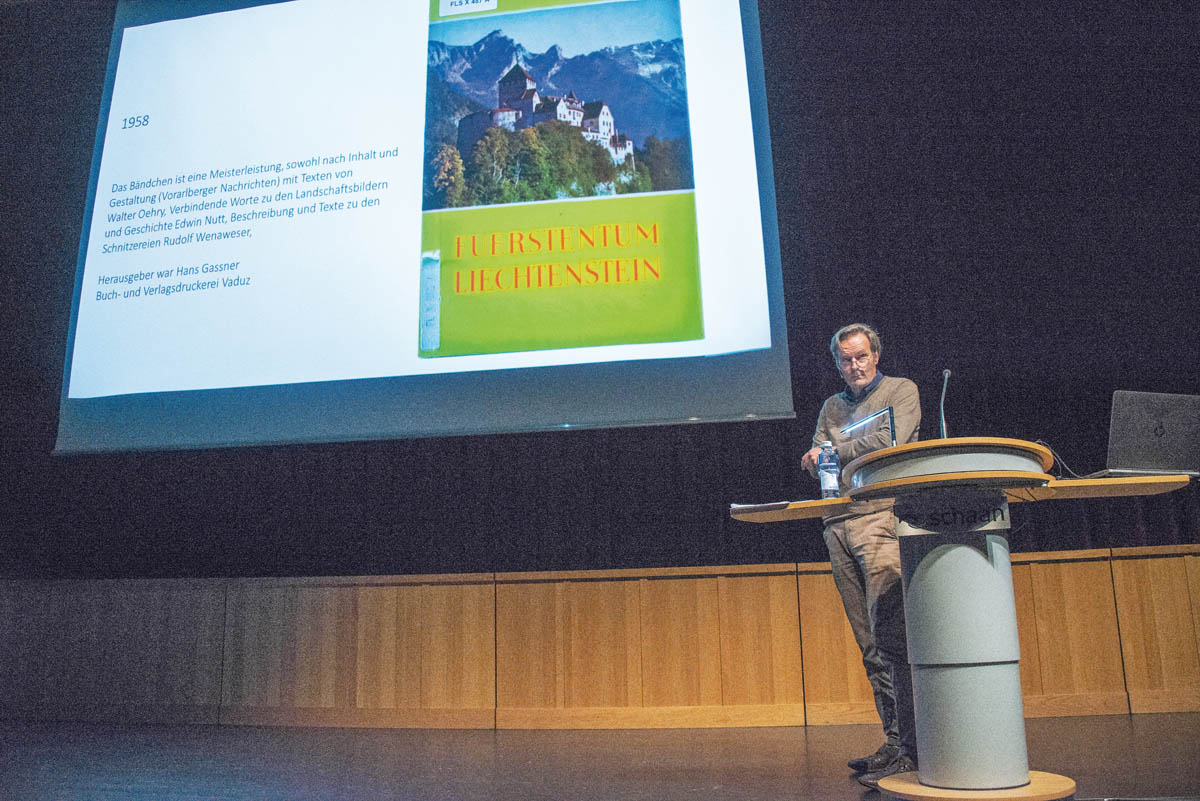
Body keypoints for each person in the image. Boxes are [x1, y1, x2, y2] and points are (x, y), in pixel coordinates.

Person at [800, 323, 921, 788]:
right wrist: (825, 456)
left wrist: (830, 450)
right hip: (838, 523)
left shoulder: (900, 390)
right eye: (846, 360)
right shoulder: (831, 406)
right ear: (836, 363)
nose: (855, 366)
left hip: (880, 519)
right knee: (869, 644)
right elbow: (818, 465)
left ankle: (913, 746)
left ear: (876, 354)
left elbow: (890, 441)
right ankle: (894, 743)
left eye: (862, 356)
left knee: (892, 635)